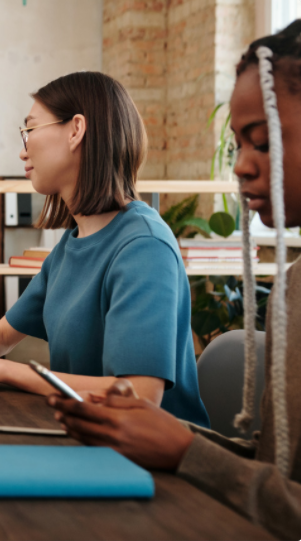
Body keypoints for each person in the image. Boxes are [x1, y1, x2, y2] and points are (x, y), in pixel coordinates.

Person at [51, 21, 301, 539]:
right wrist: (167, 435)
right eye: (238, 146)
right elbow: (279, 472)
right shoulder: (294, 287)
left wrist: (187, 450)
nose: (243, 168)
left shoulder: (141, 241)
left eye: (264, 142)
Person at [0, 71, 209, 427]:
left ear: (76, 130)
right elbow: (4, 334)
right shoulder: (72, 242)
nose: (23, 149)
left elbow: (140, 395)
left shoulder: (144, 247)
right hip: (87, 434)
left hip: (152, 462)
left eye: (30, 129)